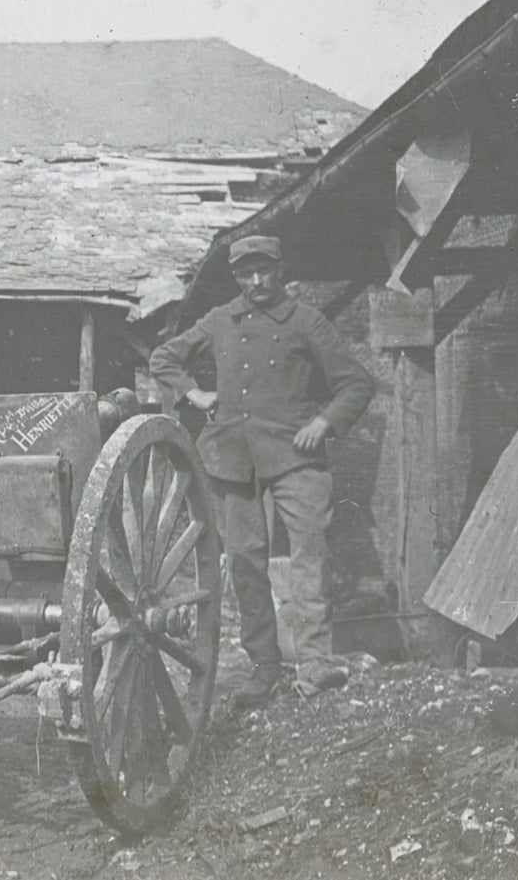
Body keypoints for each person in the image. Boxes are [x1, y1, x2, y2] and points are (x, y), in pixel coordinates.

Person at [150, 235, 374, 707]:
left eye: (264, 271)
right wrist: (195, 394)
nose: (257, 282)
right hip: (234, 459)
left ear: (280, 269)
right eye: (246, 274)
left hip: (296, 455)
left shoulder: (306, 320)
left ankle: (314, 662)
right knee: (246, 565)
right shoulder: (220, 320)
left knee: (309, 556)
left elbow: (355, 382)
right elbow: (164, 358)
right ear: (237, 278)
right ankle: (263, 666)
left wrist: (324, 422)